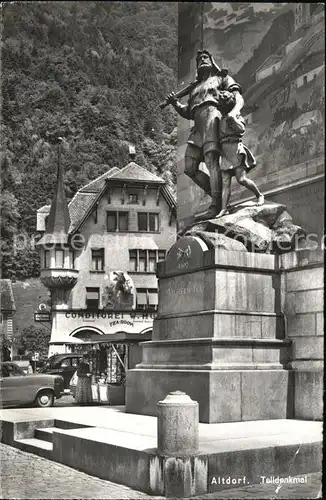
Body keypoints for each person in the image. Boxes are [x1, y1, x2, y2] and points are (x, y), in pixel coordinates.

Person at [166, 49, 263, 219]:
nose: (202, 60)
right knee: (189, 168)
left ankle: (215, 205)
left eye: (205, 57)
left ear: (211, 61)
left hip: (213, 119)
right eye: (199, 59)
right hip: (197, 128)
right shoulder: (195, 88)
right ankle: (216, 196)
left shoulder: (221, 78)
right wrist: (175, 104)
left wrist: (233, 112)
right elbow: (188, 112)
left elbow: (238, 97)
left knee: (212, 162)